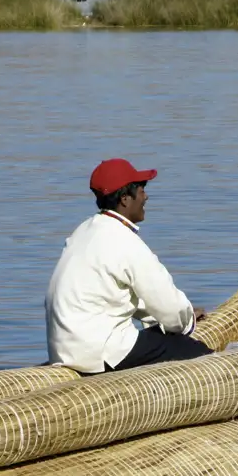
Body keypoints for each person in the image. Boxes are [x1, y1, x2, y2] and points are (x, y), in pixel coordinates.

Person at [45, 158, 213, 374]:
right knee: (193, 352)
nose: (146, 196)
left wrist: (164, 318)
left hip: (63, 351)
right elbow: (168, 304)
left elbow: (121, 294)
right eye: (141, 189)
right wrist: (186, 320)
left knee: (158, 336)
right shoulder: (124, 240)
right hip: (98, 353)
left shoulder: (83, 232)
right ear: (125, 199)